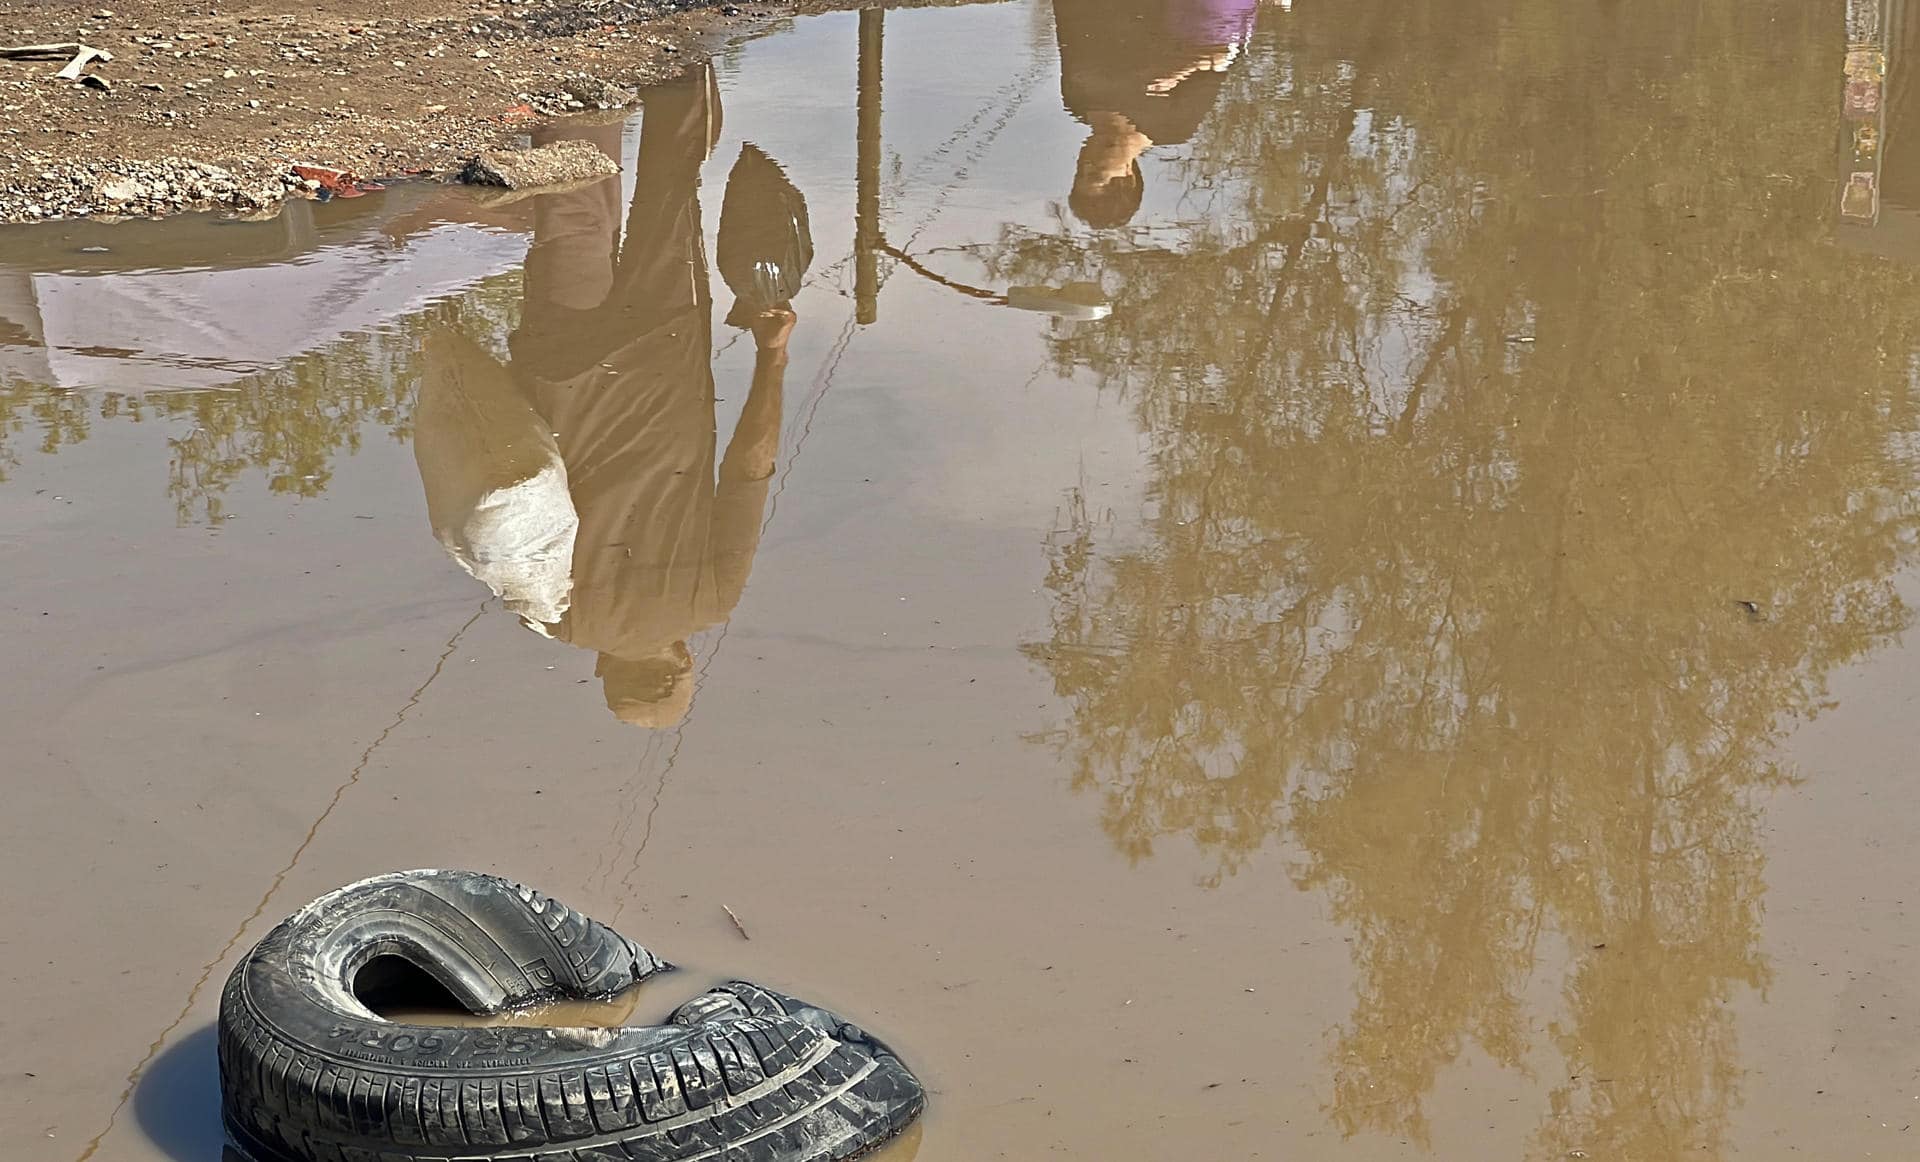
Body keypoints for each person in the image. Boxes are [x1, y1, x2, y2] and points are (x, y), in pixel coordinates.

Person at [415, 63, 805, 728]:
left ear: (682, 662)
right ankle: (586, 65)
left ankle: (677, 52)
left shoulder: (710, 602)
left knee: (671, 189)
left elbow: (750, 466)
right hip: (557, 375)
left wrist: (773, 357)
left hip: (664, 361)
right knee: (572, 221)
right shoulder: (562, 622)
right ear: (605, 669)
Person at [1052, 0, 1260, 227]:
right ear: (1127, 178)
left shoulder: (1076, 101)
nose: (1085, 164)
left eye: (1079, 173)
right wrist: (1180, 70)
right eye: (1094, 176)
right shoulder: (1174, 126)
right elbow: (1222, 55)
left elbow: (1068, 17)